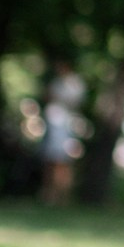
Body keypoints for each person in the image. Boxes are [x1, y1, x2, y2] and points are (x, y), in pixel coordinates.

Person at [40, 59, 86, 205]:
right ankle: (50, 194)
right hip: (54, 127)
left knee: (64, 162)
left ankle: (63, 196)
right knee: (52, 161)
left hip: (66, 127)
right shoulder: (56, 82)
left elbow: (76, 102)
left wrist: (58, 98)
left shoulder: (75, 83)